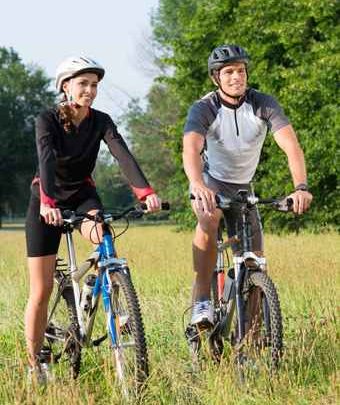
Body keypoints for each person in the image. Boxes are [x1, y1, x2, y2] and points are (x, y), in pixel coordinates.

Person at [25, 56, 161, 382]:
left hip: (83, 196)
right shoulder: (48, 119)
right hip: (47, 199)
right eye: (82, 84)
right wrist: (47, 202)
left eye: (94, 85)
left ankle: (112, 292)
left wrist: (145, 193)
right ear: (66, 86)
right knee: (41, 290)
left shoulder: (101, 121)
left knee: (105, 237)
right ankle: (36, 364)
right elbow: (45, 159)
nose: (89, 90)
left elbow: (122, 154)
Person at [182, 44, 313, 327]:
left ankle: (250, 341)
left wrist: (300, 187)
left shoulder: (262, 103)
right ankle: (203, 299)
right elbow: (191, 148)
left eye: (240, 71)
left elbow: (291, 146)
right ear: (216, 78)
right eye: (229, 72)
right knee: (209, 216)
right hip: (211, 182)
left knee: (255, 261)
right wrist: (196, 184)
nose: (236, 77)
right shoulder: (205, 107)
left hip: (244, 188)